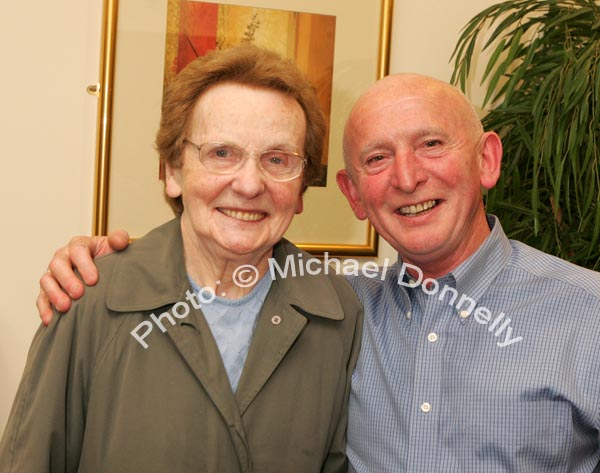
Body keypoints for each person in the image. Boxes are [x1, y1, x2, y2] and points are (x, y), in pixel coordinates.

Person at [33, 73, 600, 472]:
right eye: (377, 158)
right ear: (353, 194)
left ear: (486, 160)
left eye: (431, 144)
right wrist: (98, 262)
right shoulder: (345, 305)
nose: (407, 178)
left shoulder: (588, 314)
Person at [0, 45, 363, 473]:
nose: (249, 184)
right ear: (172, 170)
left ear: (301, 187)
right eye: (222, 153)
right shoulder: (87, 299)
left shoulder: (339, 315)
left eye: (277, 159)